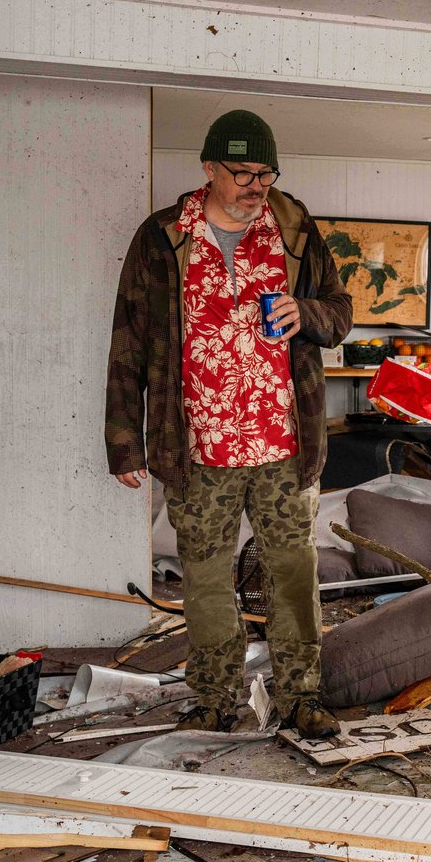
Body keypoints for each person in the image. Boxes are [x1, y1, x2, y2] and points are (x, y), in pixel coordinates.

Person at [105, 110, 353, 739]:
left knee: (294, 578)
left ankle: (302, 696)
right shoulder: (162, 237)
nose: (255, 185)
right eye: (241, 172)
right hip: (198, 446)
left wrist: (309, 314)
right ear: (208, 168)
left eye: (265, 173)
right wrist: (124, 443)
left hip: (283, 443)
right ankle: (216, 699)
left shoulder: (295, 229)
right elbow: (128, 343)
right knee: (208, 582)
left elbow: (342, 313)